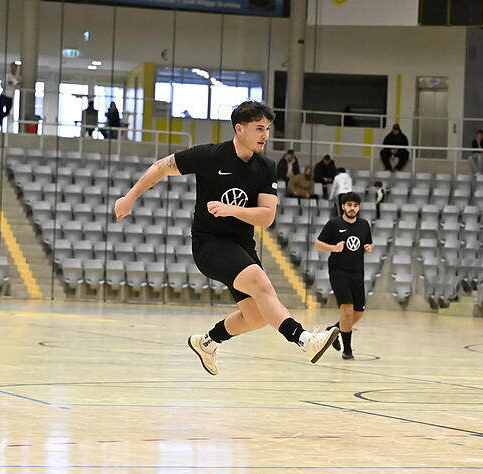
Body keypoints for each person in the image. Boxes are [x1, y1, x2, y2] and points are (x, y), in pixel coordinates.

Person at [113, 101, 339, 373]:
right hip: (209, 244)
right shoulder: (210, 156)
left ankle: (207, 342)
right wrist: (129, 198)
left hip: (241, 246)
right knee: (261, 284)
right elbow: (162, 166)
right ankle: (305, 340)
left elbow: (266, 216)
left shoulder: (266, 166)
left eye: (267, 129)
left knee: (256, 316)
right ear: (239, 129)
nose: (265, 135)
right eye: (259, 128)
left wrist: (232, 210)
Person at [315, 192, 373, 360]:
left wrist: (369, 248)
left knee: (358, 312)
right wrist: (334, 248)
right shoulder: (334, 224)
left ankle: (333, 330)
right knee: (347, 308)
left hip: (357, 273)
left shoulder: (364, 224)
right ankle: (347, 350)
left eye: (355, 205)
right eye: (349, 205)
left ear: (358, 208)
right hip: (338, 271)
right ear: (343, 206)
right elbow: (318, 244)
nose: (352, 208)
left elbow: (368, 243)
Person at [0, 62, 21, 131]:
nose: (15, 69)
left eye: (16, 67)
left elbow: (17, 83)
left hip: (10, 97)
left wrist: (14, 82)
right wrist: (13, 82)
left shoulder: (17, 77)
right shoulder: (8, 76)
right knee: (1, 113)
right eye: (13, 67)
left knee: (7, 113)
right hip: (4, 96)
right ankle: (0, 127)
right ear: (11, 68)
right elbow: (4, 83)